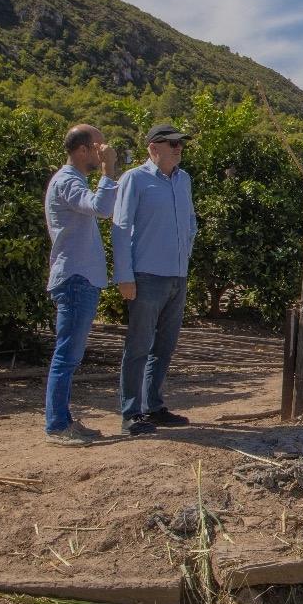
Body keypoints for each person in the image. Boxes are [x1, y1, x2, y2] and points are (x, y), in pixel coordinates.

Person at [113, 122, 197, 436]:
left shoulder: (184, 179)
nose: (178, 148)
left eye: (180, 144)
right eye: (171, 143)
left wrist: (184, 252)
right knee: (138, 347)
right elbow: (120, 228)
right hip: (146, 276)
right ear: (153, 148)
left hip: (177, 276)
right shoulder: (134, 179)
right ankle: (131, 413)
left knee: (165, 346)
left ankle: (153, 406)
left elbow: (190, 221)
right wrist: (124, 276)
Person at [42, 125, 119, 446]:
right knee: (66, 355)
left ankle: (64, 421)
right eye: (98, 144)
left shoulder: (71, 181)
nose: (103, 149)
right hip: (75, 279)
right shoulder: (67, 181)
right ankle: (57, 426)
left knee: (70, 355)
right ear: (83, 149)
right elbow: (101, 208)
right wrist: (109, 169)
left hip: (78, 277)